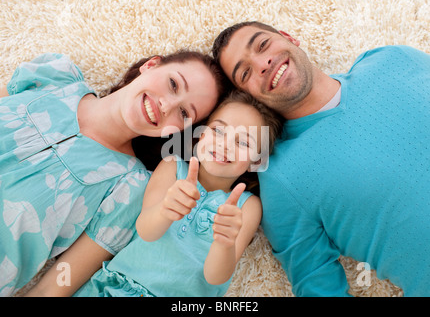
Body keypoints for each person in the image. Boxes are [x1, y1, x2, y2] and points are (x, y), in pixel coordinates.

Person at [212, 21, 430, 296]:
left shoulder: (391, 59)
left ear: (289, 37)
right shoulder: (281, 178)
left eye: (262, 45)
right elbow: (316, 284)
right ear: (248, 96)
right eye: (245, 73)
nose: (262, 64)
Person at [0, 51, 228, 297]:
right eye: (173, 84)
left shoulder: (129, 189)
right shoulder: (57, 76)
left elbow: (55, 285)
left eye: (184, 113)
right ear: (151, 65)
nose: (167, 105)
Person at [28, 90, 283, 296]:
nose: (225, 144)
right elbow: (146, 230)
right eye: (218, 130)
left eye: (244, 142)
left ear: (255, 161)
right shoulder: (172, 166)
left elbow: (215, 277)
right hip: (114, 287)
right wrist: (165, 209)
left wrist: (225, 242)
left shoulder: (247, 207)